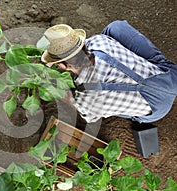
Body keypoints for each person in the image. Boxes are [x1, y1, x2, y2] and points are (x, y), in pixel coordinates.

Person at [41, 20, 177, 123]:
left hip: (158, 110)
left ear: (63, 66)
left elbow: (88, 115)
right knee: (115, 28)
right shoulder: (99, 42)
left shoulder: (86, 99)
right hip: (169, 79)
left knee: (99, 108)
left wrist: (63, 95)